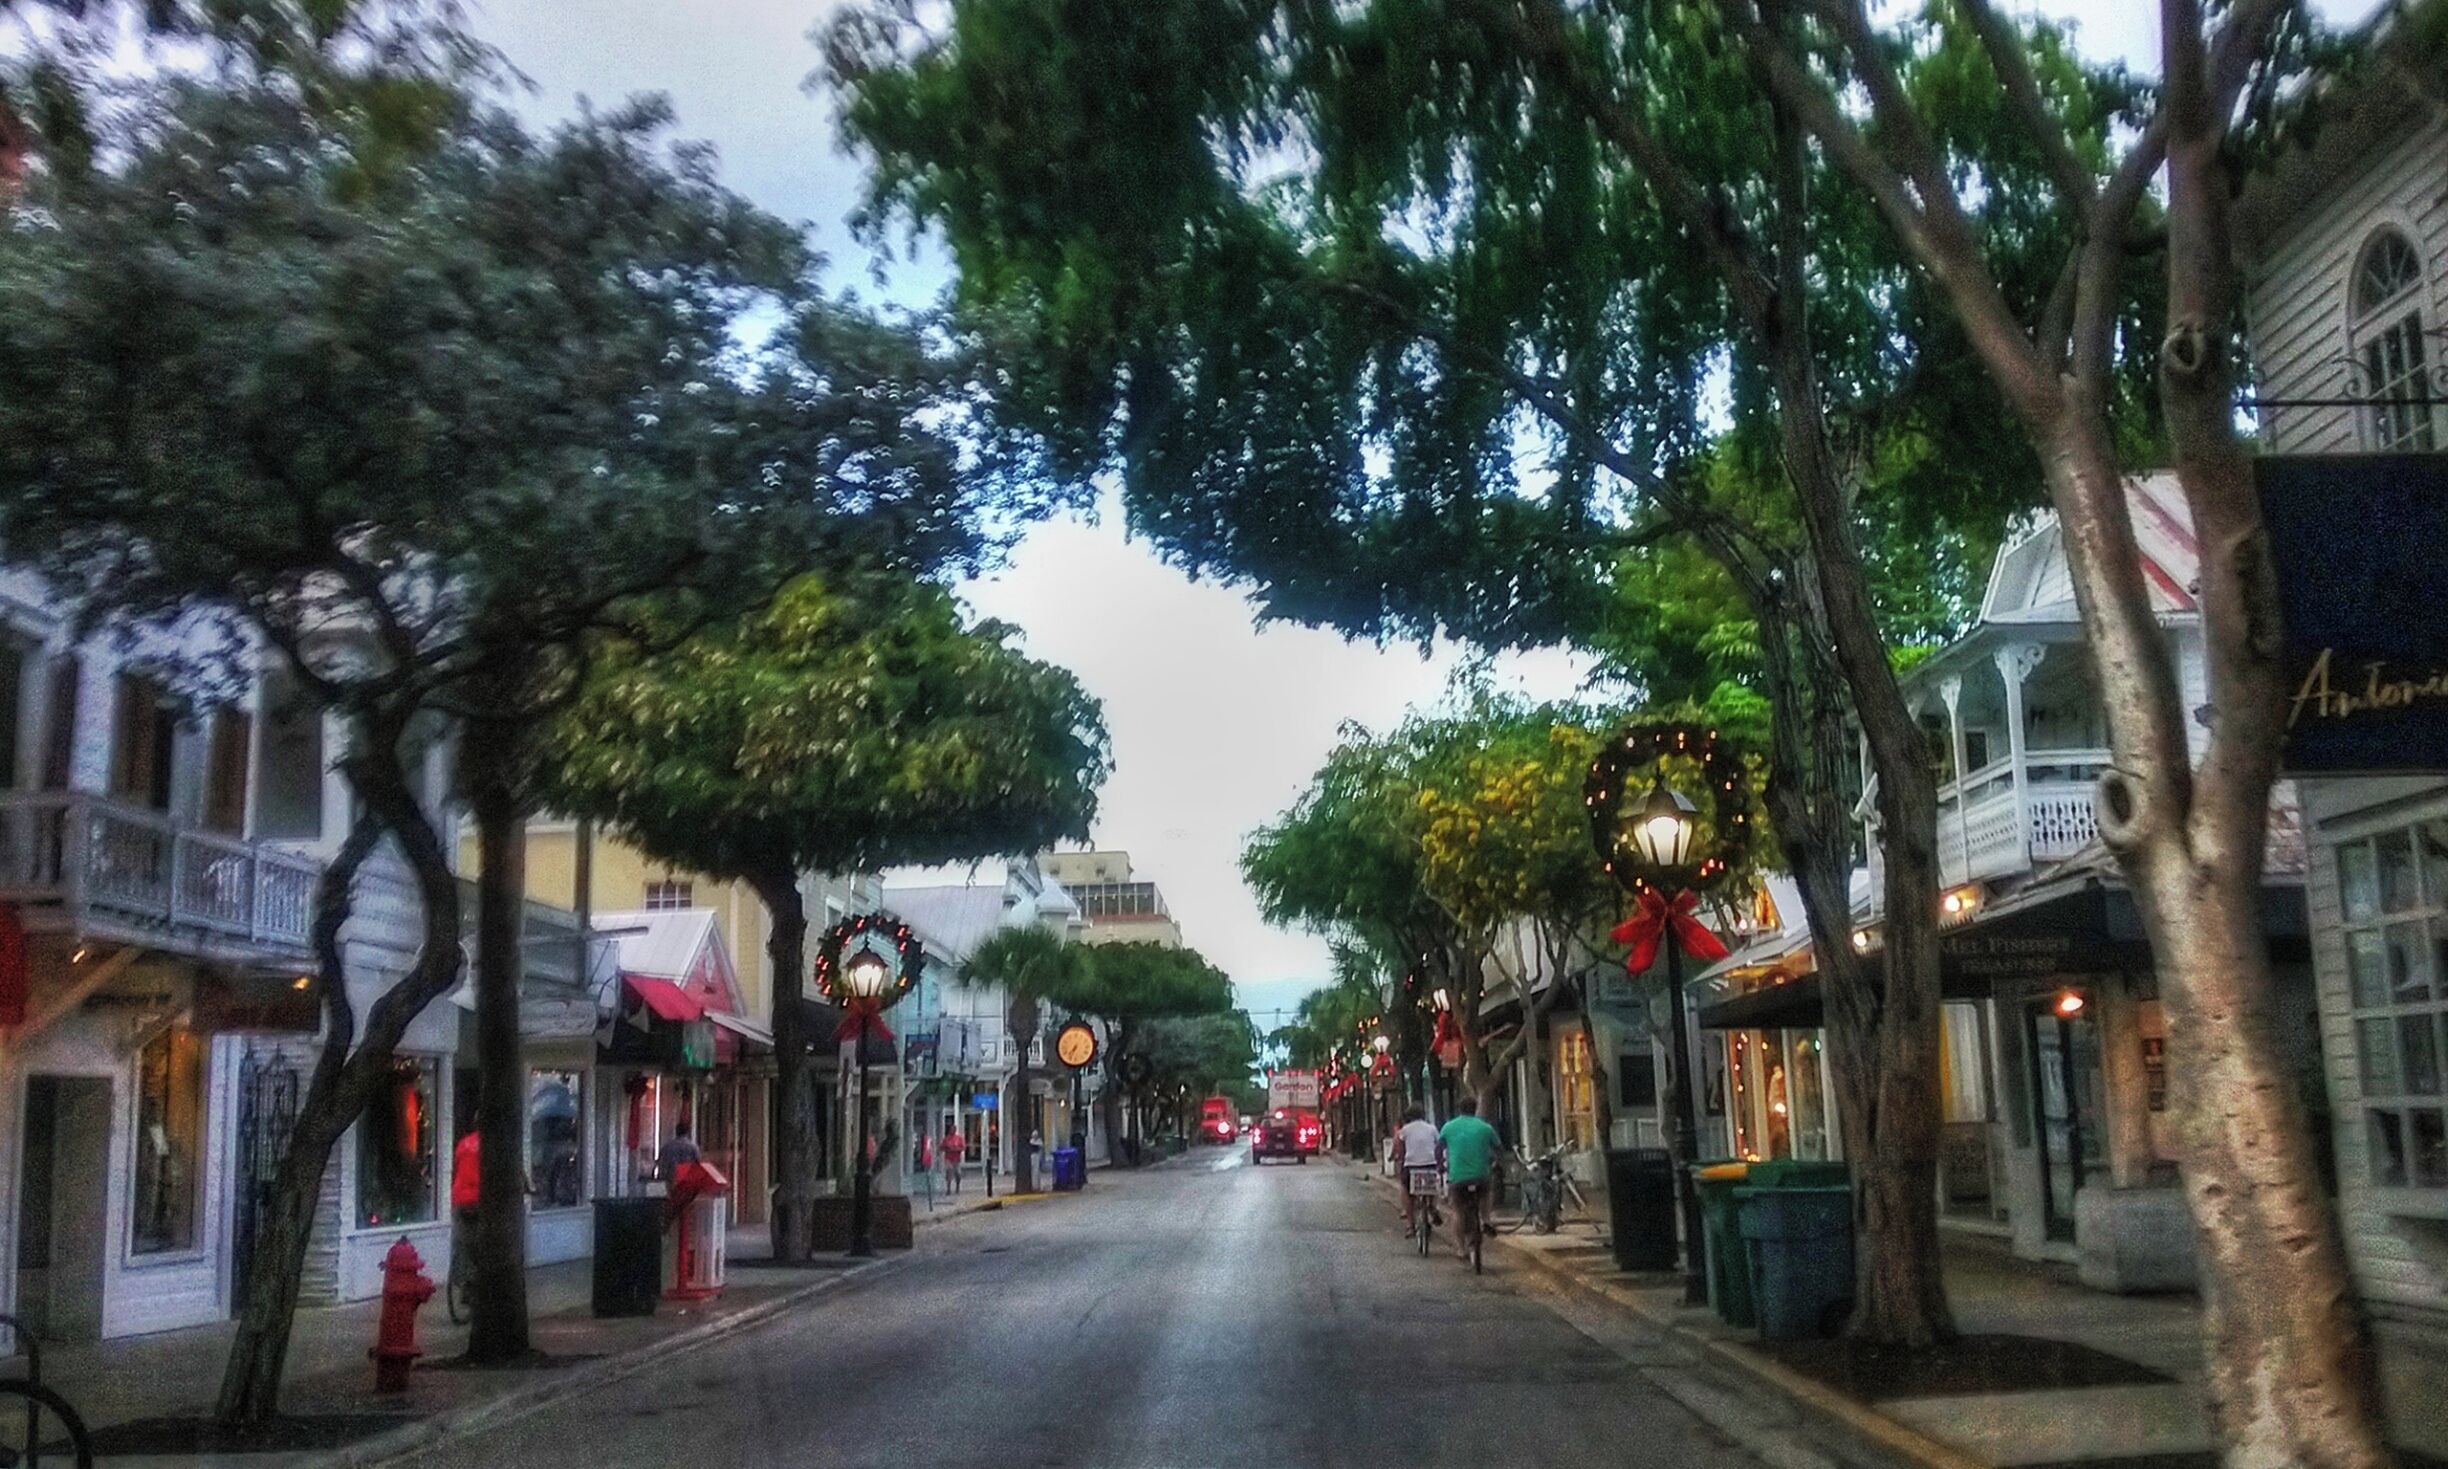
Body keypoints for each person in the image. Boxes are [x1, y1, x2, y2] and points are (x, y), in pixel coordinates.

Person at [1437, 1097, 1503, 1261]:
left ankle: (1461, 1249)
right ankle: (1486, 1219)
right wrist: (1496, 1162)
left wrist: (1441, 1166)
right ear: (1475, 1109)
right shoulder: (1485, 1127)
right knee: (1486, 1193)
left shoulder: (1449, 1127)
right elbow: (1498, 1147)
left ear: (1459, 1109)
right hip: (1481, 1175)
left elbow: (1439, 1148)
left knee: (1457, 1211)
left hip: (1457, 1177)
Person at [1395, 1106, 1442, 1236]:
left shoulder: (1405, 1130)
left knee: (1405, 1188)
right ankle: (1432, 1206)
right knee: (1433, 1186)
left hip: (1411, 1165)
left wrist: (1400, 1159)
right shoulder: (1432, 1128)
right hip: (1430, 1164)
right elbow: (1438, 1144)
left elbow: (1400, 1147)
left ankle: (1411, 1224)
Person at [941, 1122, 968, 1195]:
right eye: (951, 1129)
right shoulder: (946, 1138)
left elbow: (963, 1147)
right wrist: (947, 1148)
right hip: (948, 1158)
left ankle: (957, 1186)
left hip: (956, 1159)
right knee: (949, 1171)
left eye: (954, 1129)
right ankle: (948, 1188)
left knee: (957, 1173)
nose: (952, 1130)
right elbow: (941, 1147)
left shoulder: (959, 1138)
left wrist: (956, 1149)